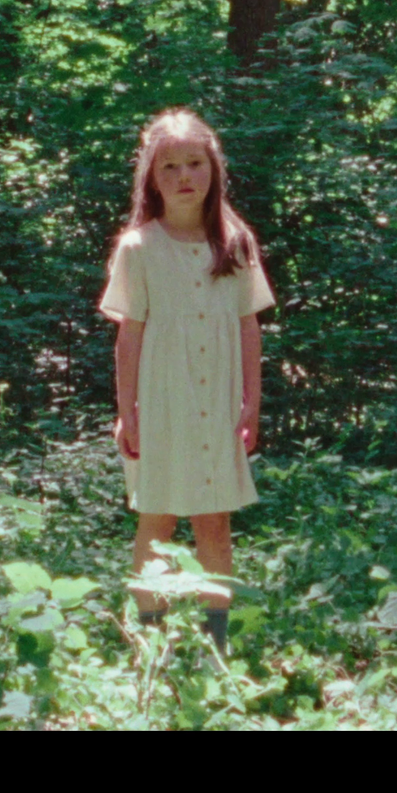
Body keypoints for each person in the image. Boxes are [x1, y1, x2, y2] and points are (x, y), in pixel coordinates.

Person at [98, 108, 274, 653]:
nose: (183, 177)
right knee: (157, 519)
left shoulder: (237, 241)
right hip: (163, 401)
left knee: (214, 522)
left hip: (218, 403)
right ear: (151, 176)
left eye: (194, 163)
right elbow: (129, 336)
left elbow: (248, 324)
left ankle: (214, 643)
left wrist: (252, 403)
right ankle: (147, 642)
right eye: (169, 166)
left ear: (213, 169)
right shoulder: (139, 248)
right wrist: (129, 410)